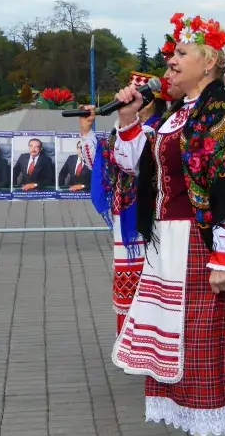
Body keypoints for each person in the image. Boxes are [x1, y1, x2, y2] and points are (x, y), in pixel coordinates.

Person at [106, 13, 225, 436]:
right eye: (171, 54)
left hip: (199, 246)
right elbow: (136, 168)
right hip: (169, 244)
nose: (171, 60)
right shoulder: (173, 115)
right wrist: (127, 117)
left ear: (208, 65)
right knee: (181, 340)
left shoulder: (220, 118)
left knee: (199, 344)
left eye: (181, 54)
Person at [78, 70, 182, 335]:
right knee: (128, 278)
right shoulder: (121, 129)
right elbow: (99, 165)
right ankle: (130, 340)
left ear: (152, 101)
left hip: (153, 214)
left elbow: (137, 164)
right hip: (124, 217)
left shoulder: (163, 129)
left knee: (155, 278)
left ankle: (155, 337)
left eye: (138, 98)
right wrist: (86, 129)